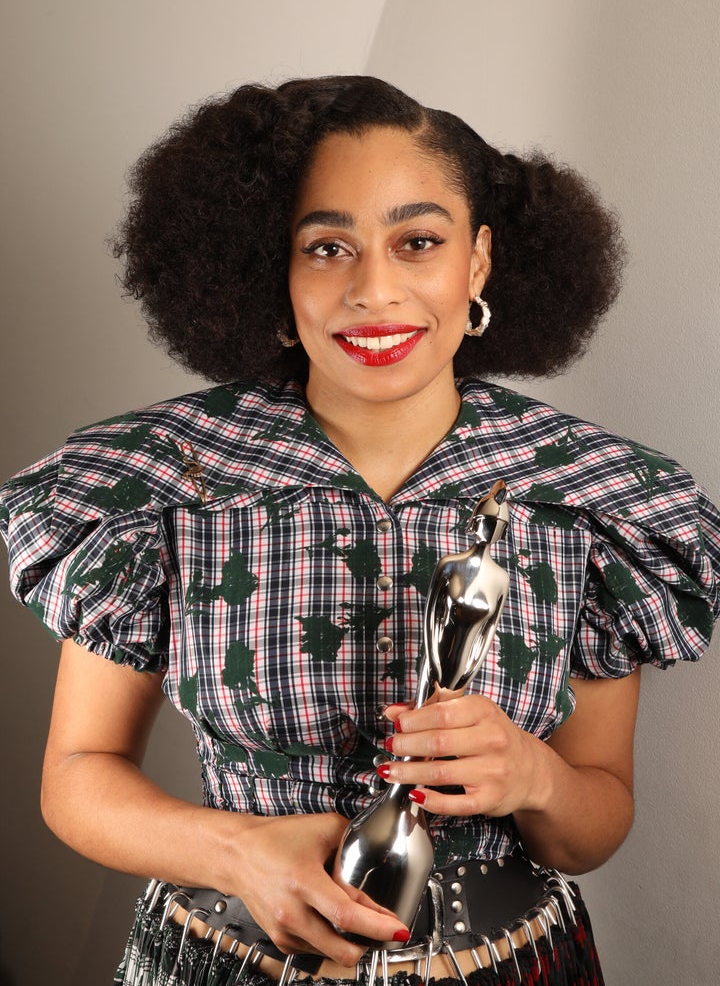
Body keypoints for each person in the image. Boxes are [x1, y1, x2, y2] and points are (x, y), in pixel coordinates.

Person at [2, 75, 719, 986]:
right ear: (275, 268)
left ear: (479, 262)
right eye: (328, 246)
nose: (376, 290)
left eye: (417, 241)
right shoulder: (155, 484)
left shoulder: (594, 498)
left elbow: (595, 825)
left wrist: (535, 777)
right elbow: (77, 773)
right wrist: (234, 851)